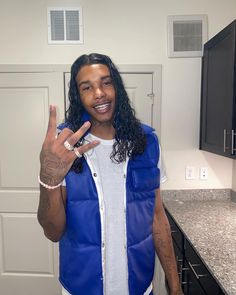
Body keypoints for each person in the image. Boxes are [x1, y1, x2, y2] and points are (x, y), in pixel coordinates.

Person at [37, 53, 182, 295]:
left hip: (139, 286)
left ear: (117, 87)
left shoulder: (147, 142)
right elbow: (53, 232)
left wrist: (175, 286)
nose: (99, 93)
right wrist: (48, 180)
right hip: (81, 287)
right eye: (87, 87)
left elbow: (158, 219)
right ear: (78, 95)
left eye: (106, 82)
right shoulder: (63, 147)